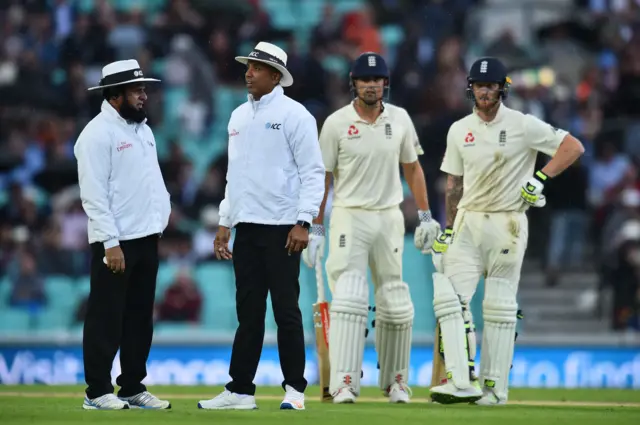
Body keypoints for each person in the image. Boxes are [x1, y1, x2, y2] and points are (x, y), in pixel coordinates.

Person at [429, 57, 585, 405]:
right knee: (448, 297)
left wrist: (540, 178)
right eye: (480, 85)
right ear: (471, 88)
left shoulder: (523, 124)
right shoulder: (459, 129)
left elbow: (573, 146)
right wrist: (449, 228)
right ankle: (461, 381)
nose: (485, 91)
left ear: (503, 87)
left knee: (499, 308)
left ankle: (495, 389)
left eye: (492, 85)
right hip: (468, 222)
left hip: (507, 222)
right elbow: (454, 182)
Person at [302, 52, 440, 404]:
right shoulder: (336, 123)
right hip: (350, 214)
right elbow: (324, 179)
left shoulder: (401, 119)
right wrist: (316, 228)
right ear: (354, 82)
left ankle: (396, 382)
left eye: (377, 79)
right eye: (365, 79)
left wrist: (425, 216)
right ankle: (345, 382)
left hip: (389, 216)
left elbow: (413, 169)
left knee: (395, 301)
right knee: (349, 297)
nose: (371, 84)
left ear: (385, 83)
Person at [198, 42, 325, 411]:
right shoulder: (237, 116)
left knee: (286, 311)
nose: (248, 73)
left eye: (255, 68)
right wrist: (225, 222)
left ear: (275, 75)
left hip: (284, 227)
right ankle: (240, 391)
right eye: (248, 67)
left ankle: (295, 390)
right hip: (247, 228)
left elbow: (313, 173)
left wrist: (304, 222)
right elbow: (232, 177)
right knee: (249, 313)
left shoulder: (295, 115)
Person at [75, 59, 172, 410]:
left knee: (139, 317)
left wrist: (161, 217)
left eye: (143, 89)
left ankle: (132, 386)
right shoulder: (96, 134)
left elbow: (150, 183)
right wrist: (109, 242)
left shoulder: (142, 130)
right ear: (115, 96)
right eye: (137, 90)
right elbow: (94, 195)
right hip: (114, 241)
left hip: (147, 237)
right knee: (106, 315)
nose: (144, 95)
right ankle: (97, 392)